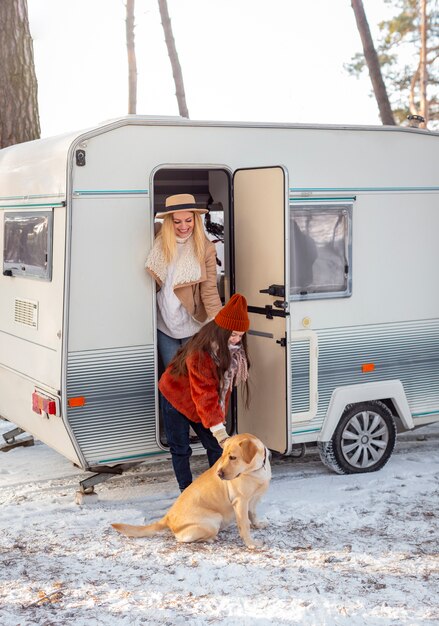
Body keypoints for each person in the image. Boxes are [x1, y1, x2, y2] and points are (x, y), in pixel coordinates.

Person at [158, 293, 251, 491]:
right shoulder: (201, 353)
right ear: (222, 330)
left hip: (200, 403)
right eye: (233, 334)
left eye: (241, 336)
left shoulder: (232, 351)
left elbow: (221, 391)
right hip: (177, 399)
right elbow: (205, 394)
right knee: (181, 448)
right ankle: (187, 492)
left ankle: (219, 489)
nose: (237, 340)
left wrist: (219, 421)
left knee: (216, 447)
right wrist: (218, 430)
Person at [145, 193, 223, 368]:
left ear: (195, 219)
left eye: (188, 220)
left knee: (192, 377)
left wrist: (220, 325)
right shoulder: (159, 238)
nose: (183, 226)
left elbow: (209, 290)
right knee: (171, 380)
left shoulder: (206, 248)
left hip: (193, 324)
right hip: (164, 324)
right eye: (177, 221)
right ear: (168, 222)